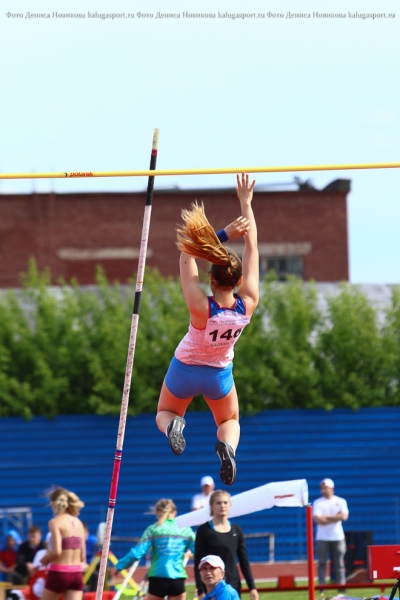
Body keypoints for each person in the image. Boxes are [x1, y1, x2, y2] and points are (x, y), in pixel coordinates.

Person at [156, 173, 259, 485]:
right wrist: (246, 204)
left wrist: (225, 233)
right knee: (229, 420)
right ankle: (228, 447)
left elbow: (187, 254)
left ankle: (174, 426)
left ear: (211, 280)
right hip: (218, 375)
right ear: (239, 281)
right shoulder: (248, 304)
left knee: (165, 412)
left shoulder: (201, 306)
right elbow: (253, 248)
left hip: (185, 368)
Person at [116, 499, 195, 600]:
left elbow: (137, 553)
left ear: (157, 512)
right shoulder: (186, 530)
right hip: (177, 578)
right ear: (175, 512)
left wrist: (120, 565)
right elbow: (199, 551)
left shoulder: (153, 529)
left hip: (157, 577)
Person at [194, 490, 258, 600]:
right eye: (218, 503)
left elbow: (244, 561)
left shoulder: (236, 530)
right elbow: (198, 562)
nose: (222, 506)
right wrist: (201, 590)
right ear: (211, 506)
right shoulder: (204, 530)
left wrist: (252, 587)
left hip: (233, 583)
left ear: (230, 505)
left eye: (225, 502)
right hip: (211, 585)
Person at [39, 487, 86, 600]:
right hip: (76, 573)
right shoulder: (79, 523)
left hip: (59, 573)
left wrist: (44, 559)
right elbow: (82, 556)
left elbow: (57, 551)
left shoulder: (55, 522)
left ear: (54, 504)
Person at [313, 478, 349, 586]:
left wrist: (326, 517)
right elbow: (318, 519)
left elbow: (344, 517)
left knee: (339, 563)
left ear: (331, 488)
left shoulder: (340, 501)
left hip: (338, 537)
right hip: (322, 538)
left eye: (325, 488)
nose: (323, 491)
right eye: (322, 488)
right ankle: (322, 587)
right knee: (322, 563)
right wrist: (336, 517)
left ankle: (341, 586)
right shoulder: (318, 503)